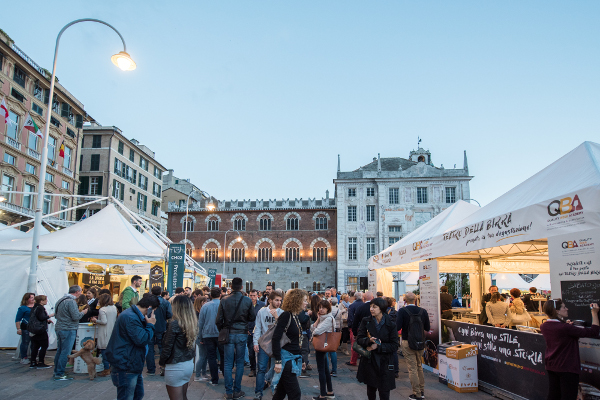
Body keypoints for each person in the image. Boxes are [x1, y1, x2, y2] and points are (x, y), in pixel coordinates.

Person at [541, 300, 599, 400]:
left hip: (552, 365)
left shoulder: (544, 326)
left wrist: (566, 325)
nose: (567, 309)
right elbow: (593, 331)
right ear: (557, 311)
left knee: (554, 395)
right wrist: (594, 313)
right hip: (567, 367)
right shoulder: (565, 328)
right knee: (569, 396)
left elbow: (562, 335)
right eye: (564, 307)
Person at [105, 294, 159, 400]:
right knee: (127, 396)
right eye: (154, 311)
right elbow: (142, 339)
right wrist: (150, 325)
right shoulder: (131, 317)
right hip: (126, 364)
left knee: (137, 395)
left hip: (131, 363)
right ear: (149, 308)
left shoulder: (133, 315)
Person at [216, 277, 255, 400]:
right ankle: (237, 390)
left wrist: (223, 329)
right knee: (239, 363)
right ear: (242, 287)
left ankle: (228, 391)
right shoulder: (247, 300)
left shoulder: (224, 300)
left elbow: (218, 320)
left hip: (229, 333)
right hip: (242, 333)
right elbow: (252, 317)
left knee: (227, 363)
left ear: (231, 287)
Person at [356, 297, 399, 400]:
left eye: (374, 307)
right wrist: (368, 341)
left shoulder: (391, 324)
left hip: (385, 362)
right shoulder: (366, 321)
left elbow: (394, 345)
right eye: (370, 306)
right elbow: (359, 339)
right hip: (370, 361)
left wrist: (378, 347)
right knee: (371, 391)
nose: (371, 309)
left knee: (384, 392)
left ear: (381, 308)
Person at [159, 295, 197, 400]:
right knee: (184, 396)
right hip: (188, 364)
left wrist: (161, 362)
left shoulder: (175, 324)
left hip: (175, 366)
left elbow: (167, 347)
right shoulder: (191, 322)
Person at [271, 289, 307, 400]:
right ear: (297, 301)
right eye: (304, 300)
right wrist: (278, 361)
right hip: (286, 360)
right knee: (295, 394)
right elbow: (275, 338)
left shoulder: (295, 316)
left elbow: (296, 340)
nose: (306, 303)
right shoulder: (286, 315)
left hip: (292, 359)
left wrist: (302, 359)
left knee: (280, 393)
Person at [397, 292, 430, 400]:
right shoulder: (423, 311)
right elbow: (427, 328)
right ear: (415, 300)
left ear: (405, 300)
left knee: (412, 368)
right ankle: (422, 390)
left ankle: (417, 394)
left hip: (407, 341)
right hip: (420, 341)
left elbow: (397, 327)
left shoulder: (402, 311)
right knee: (419, 366)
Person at [253, 290, 283, 400]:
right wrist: (255, 342)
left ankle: (275, 389)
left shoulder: (281, 312)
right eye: (276, 300)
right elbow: (258, 327)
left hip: (277, 344)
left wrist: (276, 317)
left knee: (276, 368)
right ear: (270, 300)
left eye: (280, 300)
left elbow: (283, 329)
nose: (279, 302)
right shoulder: (262, 312)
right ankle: (258, 392)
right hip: (264, 343)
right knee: (261, 368)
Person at [53, 285, 87, 380]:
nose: (81, 293)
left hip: (60, 327)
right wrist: (83, 312)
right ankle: (59, 373)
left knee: (60, 351)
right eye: (80, 291)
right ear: (76, 292)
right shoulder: (71, 302)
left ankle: (57, 371)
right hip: (68, 329)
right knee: (65, 352)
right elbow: (76, 316)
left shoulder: (60, 300)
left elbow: (56, 315)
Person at [198, 288, 224, 386]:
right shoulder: (223, 305)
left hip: (208, 334)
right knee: (223, 356)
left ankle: (214, 379)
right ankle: (227, 376)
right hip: (221, 334)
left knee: (211, 357)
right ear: (220, 295)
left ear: (210, 296)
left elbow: (201, 323)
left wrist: (200, 337)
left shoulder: (205, 306)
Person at [311, 300, 336, 399]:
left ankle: (322, 395)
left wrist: (312, 334)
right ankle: (330, 392)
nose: (321, 310)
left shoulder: (328, 318)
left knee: (321, 370)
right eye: (320, 307)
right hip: (322, 345)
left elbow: (316, 331)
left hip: (322, 345)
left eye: (323, 308)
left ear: (328, 309)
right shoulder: (322, 318)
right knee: (325, 369)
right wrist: (317, 319)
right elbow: (313, 327)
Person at [148, 286, 173, 376]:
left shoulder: (148, 301)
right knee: (162, 347)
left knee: (150, 348)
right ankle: (163, 367)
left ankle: (151, 369)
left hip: (149, 326)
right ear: (161, 292)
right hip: (161, 327)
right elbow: (170, 314)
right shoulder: (165, 302)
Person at [93, 293, 118, 377]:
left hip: (104, 332)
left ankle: (106, 368)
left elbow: (104, 321)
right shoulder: (114, 308)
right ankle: (112, 367)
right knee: (111, 351)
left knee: (104, 351)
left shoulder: (102, 309)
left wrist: (95, 320)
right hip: (112, 331)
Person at [29, 295, 54, 369]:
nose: (46, 301)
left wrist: (46, 321)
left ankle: (33, 362)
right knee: (44, 345)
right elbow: (41, 317)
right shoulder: (40, 308)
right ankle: (41, 362)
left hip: (34, 330)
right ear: (41, 301)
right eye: (45, 300)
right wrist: (50, 316)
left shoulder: (34, 307)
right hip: (40, 330)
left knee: (35, 346)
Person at [248, 289, 265, 378]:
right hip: (250, 331)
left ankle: (261, 369)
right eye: (251, 295)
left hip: (260, 332)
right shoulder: (247, 304)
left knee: (261, 351)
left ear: (257, 296)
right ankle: (253, 368)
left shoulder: (262, 305)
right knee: (251, 352)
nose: (252, 297)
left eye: (254, 295)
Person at [15, 292, 35, 364]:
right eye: (31, 298)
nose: (33, 299)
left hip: (35, 327)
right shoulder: (23, 308)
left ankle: (34, 356)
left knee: (34, 342)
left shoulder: (36, 306)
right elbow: (18, 319)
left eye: (33, 297)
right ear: (27, 299)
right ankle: (24, 357)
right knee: (25, 342)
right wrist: (18, 329)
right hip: (26, 327)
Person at [193, 295, 208, 381]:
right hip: (200, 336)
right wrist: (200, 337)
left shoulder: (197, 312)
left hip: (200, 336)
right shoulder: (198, 313)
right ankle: (198, 375)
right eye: (205, 301)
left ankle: (203, 373)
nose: (206, 303)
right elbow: (199, 326)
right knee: (202, 356)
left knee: (204, 356)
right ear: (201, 302)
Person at [346, 291, 363, 366]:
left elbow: (351, 318)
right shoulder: (365, 305)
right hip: (363, 327)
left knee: (354, 344)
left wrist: (351, 326)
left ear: (355, 297)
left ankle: (353, 360)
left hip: (355, 327)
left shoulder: (352, 306)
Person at [327, 297, 342, 377]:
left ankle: (326, 368)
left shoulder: (328, 310)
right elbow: (340, 321)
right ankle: (334, 370)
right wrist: (340, 329)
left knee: (325, 349)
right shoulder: (339, 310)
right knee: (333, 350)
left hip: (327, 330)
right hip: (335, 329)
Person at [386, 297, 399, 378]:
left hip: (385, 333)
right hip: (393, 333)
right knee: (394, 352)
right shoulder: (395, 312)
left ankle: (386, 369)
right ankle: (395, 371)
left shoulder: (383, 312)